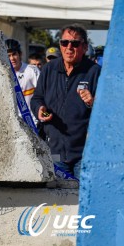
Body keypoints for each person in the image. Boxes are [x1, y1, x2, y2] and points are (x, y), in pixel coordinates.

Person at [30, 24, 101, 178]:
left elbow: (108, 110)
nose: (69, 47)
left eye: (75, 43)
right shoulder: (49, 69)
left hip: (83, 155)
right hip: (55, 152)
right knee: (57, 199)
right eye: (64, 43)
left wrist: (93, 101)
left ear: (84, 47)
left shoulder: (94, 71)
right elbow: (37, 98)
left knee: (81, 199)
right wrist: (40, 109)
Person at [5, 38, 40, 116]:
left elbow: (43, 94)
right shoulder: (2, 74)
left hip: (32, 121)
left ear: (19, 54)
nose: (12, 58)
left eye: (14, 54)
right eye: (8, 56)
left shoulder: (32, 70)